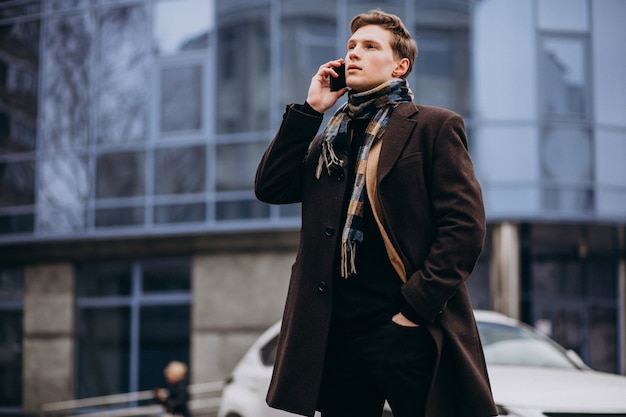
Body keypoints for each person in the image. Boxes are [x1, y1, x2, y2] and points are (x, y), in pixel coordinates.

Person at [255, 9, 497, 417]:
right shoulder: (330, 138)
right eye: (351, 46)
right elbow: (270, 187)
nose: (354, 54)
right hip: (336, 335)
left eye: (370, 47)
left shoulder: (433, 127)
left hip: (407, 329)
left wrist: (413, 311)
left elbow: (464, 227)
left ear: (400, 66)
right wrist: (311, 111)